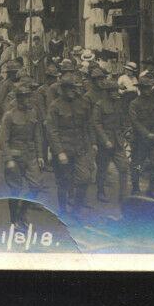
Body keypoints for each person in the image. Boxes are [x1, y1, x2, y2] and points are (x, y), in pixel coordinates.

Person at [46, 73, 93, 218]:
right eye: (71, 88)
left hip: (80, 148)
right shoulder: (55, 106)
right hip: (63, 149)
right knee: (64, 181)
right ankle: (62, 210)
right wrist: (59, 152)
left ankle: (76, 210)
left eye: (76, 88)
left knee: (84, 178)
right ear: (64, 89)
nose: (74, 91)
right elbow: (52, 131)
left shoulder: (83, 103)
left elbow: (87, 125)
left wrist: (91, 145)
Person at [0, 83, 44, 200]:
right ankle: (14, 217)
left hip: (30, 154)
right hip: (15, 156)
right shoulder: (9, 116)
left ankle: (23, 208)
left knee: (36, 185)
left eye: (29, 96)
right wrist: (8, 159)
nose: (29, 99)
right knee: (15, 189)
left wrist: (40, 155)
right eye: (25, 97)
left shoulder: (33, 113)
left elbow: (37, 135)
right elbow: (3, 140)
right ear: (19, 99)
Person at [92, 79, 131, 203]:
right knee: (103, 168)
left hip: (118, 142)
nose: (116, 93)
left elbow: (123, 120)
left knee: (124, 167)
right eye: (113, 91)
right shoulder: (100, 105)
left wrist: (126, 132)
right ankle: (100, 191)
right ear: (108, 92)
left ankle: (123, 195)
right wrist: (105, 140)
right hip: (105, 143)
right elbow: (96, 124)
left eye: (116, 90)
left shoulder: (119, 103)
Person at [128, 75, 154, 197]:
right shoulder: (134, 104)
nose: (147, 90)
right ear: (140, 89)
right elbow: (135, 122)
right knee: (137, 164)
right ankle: (135, 188)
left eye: (149, 88)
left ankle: (150, 189)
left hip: (153, 139)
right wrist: (147, 134)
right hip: (139, 140)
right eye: (145, 88)